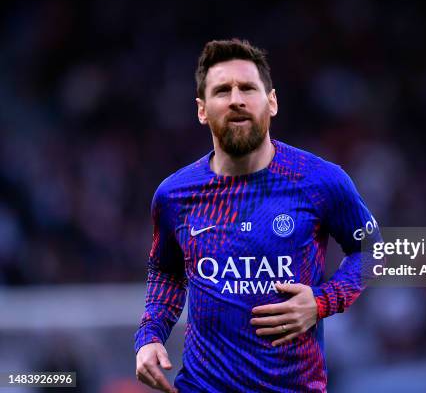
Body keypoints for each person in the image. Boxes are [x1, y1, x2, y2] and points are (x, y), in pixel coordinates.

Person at [134, 39, 381, 392]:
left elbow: (374, 250)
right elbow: (166, 271)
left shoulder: (320, 180)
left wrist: (322, 301)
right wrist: (150, 335)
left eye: (248, 88)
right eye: (222, 91)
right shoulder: (174, 195)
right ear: (202, 110)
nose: (236, 99)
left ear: (272, 102)